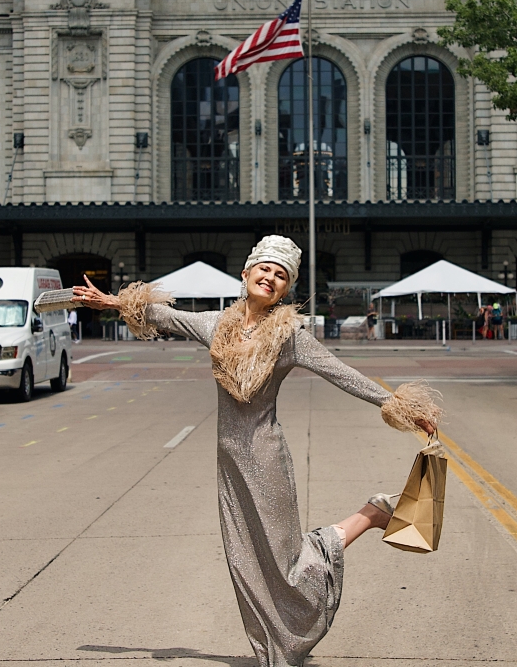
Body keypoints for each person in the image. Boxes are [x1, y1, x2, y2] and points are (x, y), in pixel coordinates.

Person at [71, 235, 440, 667]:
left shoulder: (289, 337)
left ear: (286, 289)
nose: (271, 278)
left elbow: (343, 374)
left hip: (266, 457)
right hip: (228, 461)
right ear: (246, 273)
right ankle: (271, 650)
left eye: (281, 275)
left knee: (286, 565)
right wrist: (110, 302)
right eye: (265, 269)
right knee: (244, 561)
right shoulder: (216, 325)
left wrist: (402, 407)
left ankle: (371, 515)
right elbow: (163, 315)